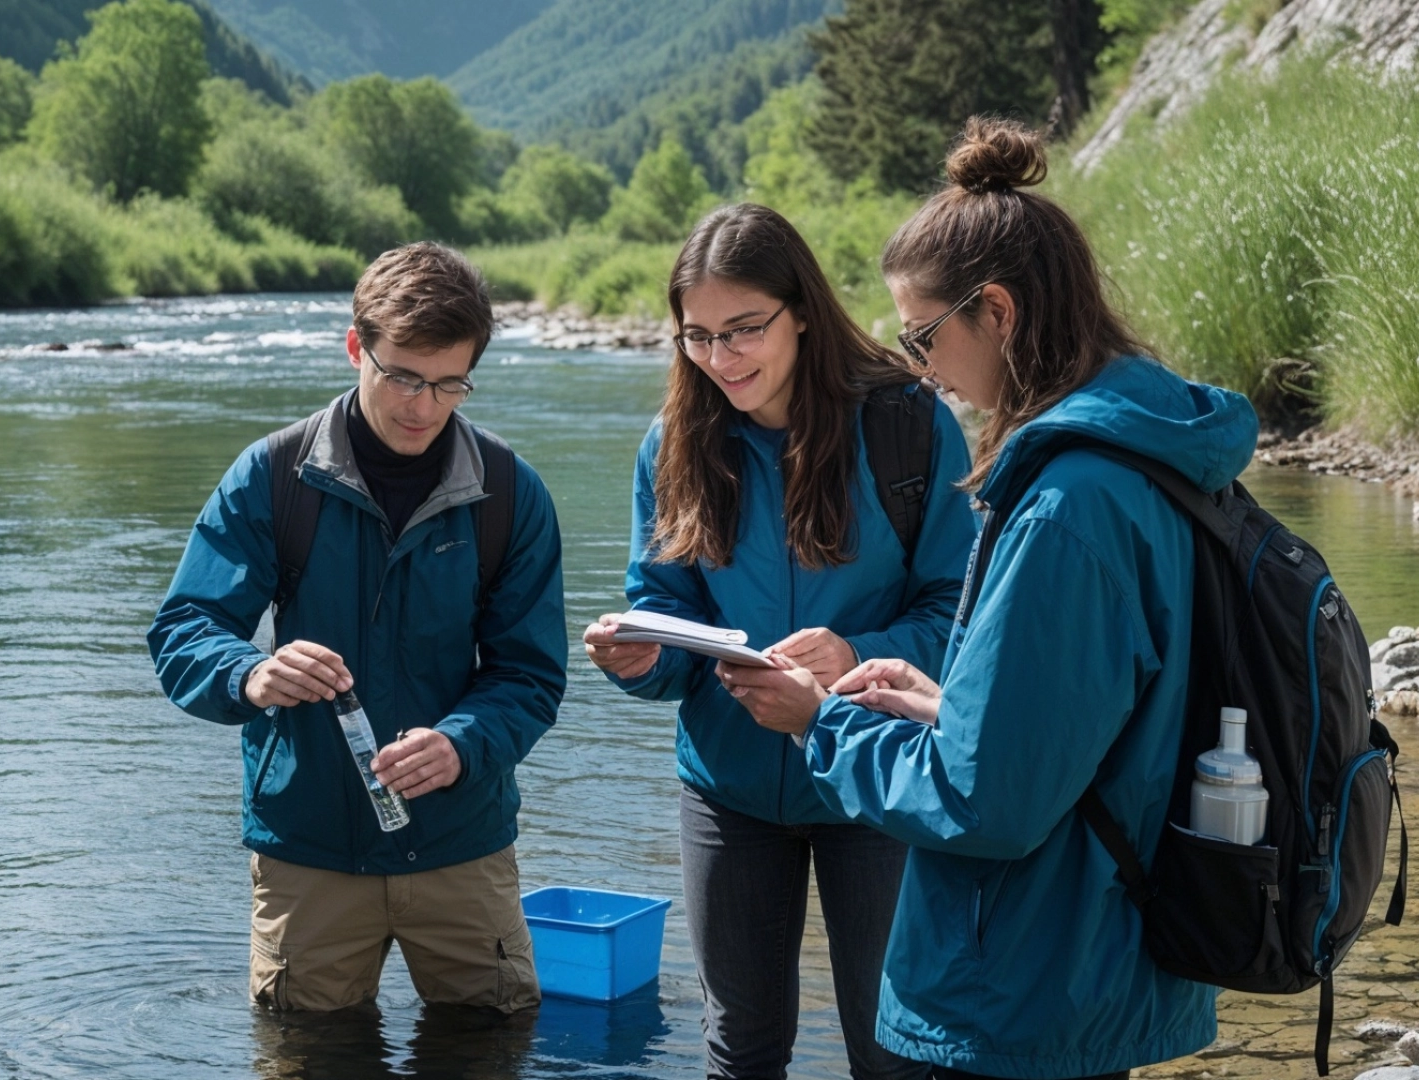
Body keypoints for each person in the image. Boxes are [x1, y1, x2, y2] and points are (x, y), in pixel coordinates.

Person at [720, 118, 1259, 1080]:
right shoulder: (1157, 456)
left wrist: (818, 727)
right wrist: (949, 704)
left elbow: (986, 807)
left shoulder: (1066, 507)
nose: (920, 366)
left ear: (997, 312)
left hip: (1024, 977)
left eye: (925, 335)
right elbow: (1109, 712)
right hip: (1106, 948)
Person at [583, 203, 975, 1080]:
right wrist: (643, 661)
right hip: (727, 790)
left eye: (745, 330)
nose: (721, 359)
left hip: (879, 780)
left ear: (801, 309)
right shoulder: (674, 443)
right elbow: (663, 603)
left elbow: (961, 609)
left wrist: (856, 650)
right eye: (698, 336)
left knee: (897, 1052)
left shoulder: (909, 423)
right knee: (740, 1047)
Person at [148, 242, 567, 1016]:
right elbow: (185, 628)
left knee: (489, 1050)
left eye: (449, 384)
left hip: (460, 845)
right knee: (308, 1057)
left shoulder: (511, 494)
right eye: (402, 375)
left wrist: (462, 744)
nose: (423, 406)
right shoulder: (272, 477)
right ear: (356, 348)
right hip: (310, 850)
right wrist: (249, 674)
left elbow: (531, 674)